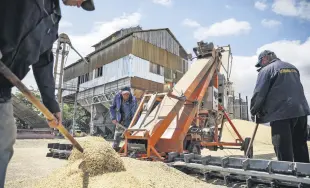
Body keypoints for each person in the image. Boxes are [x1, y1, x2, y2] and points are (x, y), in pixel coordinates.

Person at [0, 1, 82, 187]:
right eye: (83, 0)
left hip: (2, 87)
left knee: (4, 141)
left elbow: (44, 61)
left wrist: (51, 104)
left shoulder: (52, 18)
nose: (80, 5)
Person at [250, 50, 310, 163]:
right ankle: (304, 175)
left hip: (281, 114)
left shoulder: (266, 70)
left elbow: (259, 93)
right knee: (300, 146)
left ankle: (285, 176)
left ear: (264, 59)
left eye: (261, 63)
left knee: (282, 148)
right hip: (301, 112)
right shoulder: (293, 67)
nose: (261, 65)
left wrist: (254, 110)